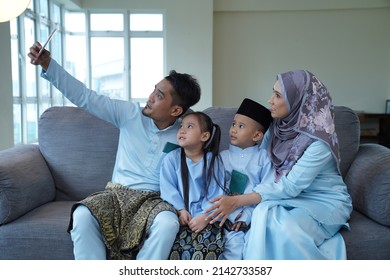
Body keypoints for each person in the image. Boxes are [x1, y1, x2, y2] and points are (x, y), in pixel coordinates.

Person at [27, 41, 201, 260]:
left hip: (156, 201)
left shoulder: (186, 133)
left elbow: (203, 164)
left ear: (176, 110)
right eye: (154, 90)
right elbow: (86, 97)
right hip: (117, 193)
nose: (150, 97)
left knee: (168, 223)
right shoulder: (129, 114)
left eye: (159, 96)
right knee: (82, 214)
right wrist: (48, 64)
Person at [206, 69, 353, 259]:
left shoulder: (319, 143)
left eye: (277, 95)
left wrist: (236, 202)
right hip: (287, 198)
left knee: (285, 229)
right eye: (272, 93)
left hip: (322, 200)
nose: (270, 100)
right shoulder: (278, 128)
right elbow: (261, 163)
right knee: (262, 218)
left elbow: (290, 186)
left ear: (297, 100)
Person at [159, 111, 228, 259]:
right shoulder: (171, 159)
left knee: (208, 248)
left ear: (204, 136)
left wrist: (205, 217)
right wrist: (181, 209)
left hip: (205, 217)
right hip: (181, 216)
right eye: (181, 126)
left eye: (190, 126)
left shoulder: (213, 161)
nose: (182, 130)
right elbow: (168, 188)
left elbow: (217, 193)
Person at [218, 98, 273, 260]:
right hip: (223, 215)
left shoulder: (264, 159)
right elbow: (215, 189)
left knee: (239, 247)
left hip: (250, 214)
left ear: (257, 135)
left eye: (241, 126)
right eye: (234, 124)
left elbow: (267, 190)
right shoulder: (222, 158)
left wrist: (246, 216)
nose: (234, 129)